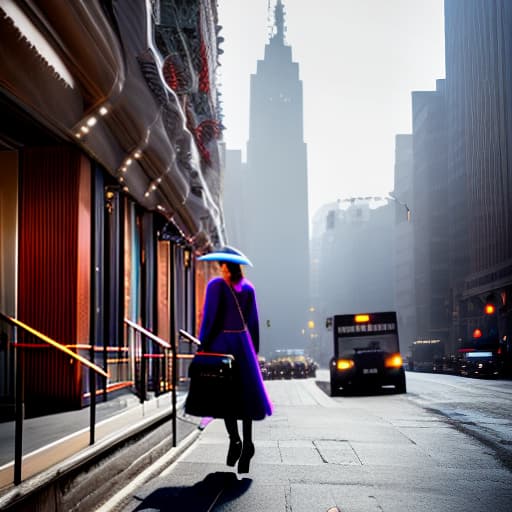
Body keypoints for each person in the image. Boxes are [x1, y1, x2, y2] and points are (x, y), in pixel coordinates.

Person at [196, 246, 273, 473]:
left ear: (224, 266)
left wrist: (203, 344)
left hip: (222, 347)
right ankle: (248, 443)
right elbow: (254, 322)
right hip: (244, 347)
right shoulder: (249, 288)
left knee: (225, 396)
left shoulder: (216, 286)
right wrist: (254, 350)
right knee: (244, 397)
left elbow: (208, 319)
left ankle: (235, 440)